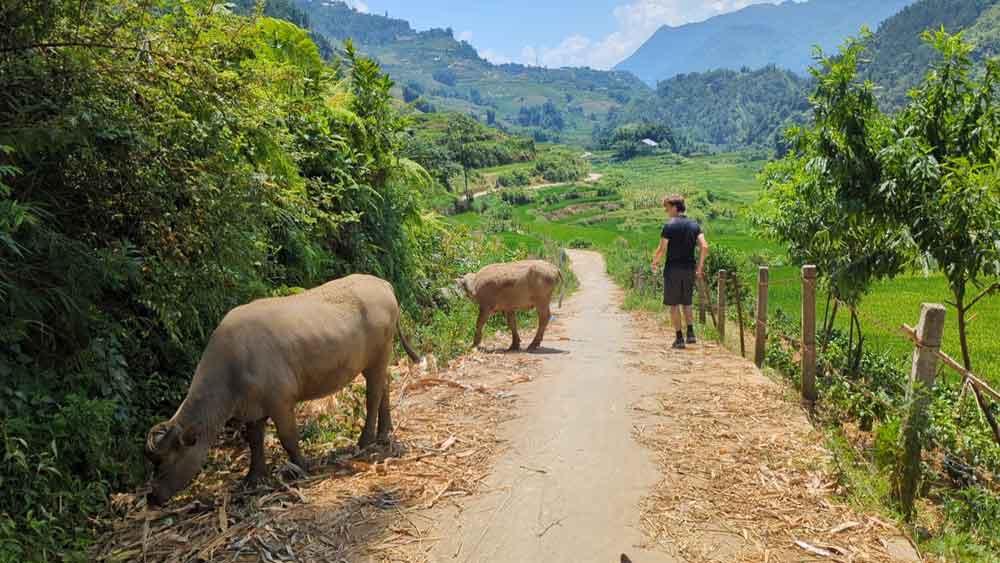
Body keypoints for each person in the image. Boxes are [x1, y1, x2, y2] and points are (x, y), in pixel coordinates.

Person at [650, 194, 709, 349]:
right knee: (687, 302)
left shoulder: (669, 225)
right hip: (689, 269)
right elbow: (704, 246)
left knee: (674, 304)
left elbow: (662, 249)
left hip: (673, 270)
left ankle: (679, 338)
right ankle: (691, 334)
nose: (666, 211)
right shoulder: (694, 225)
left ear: (675, 207)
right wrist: (700, 267)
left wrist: (654, 262)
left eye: (667, 208)